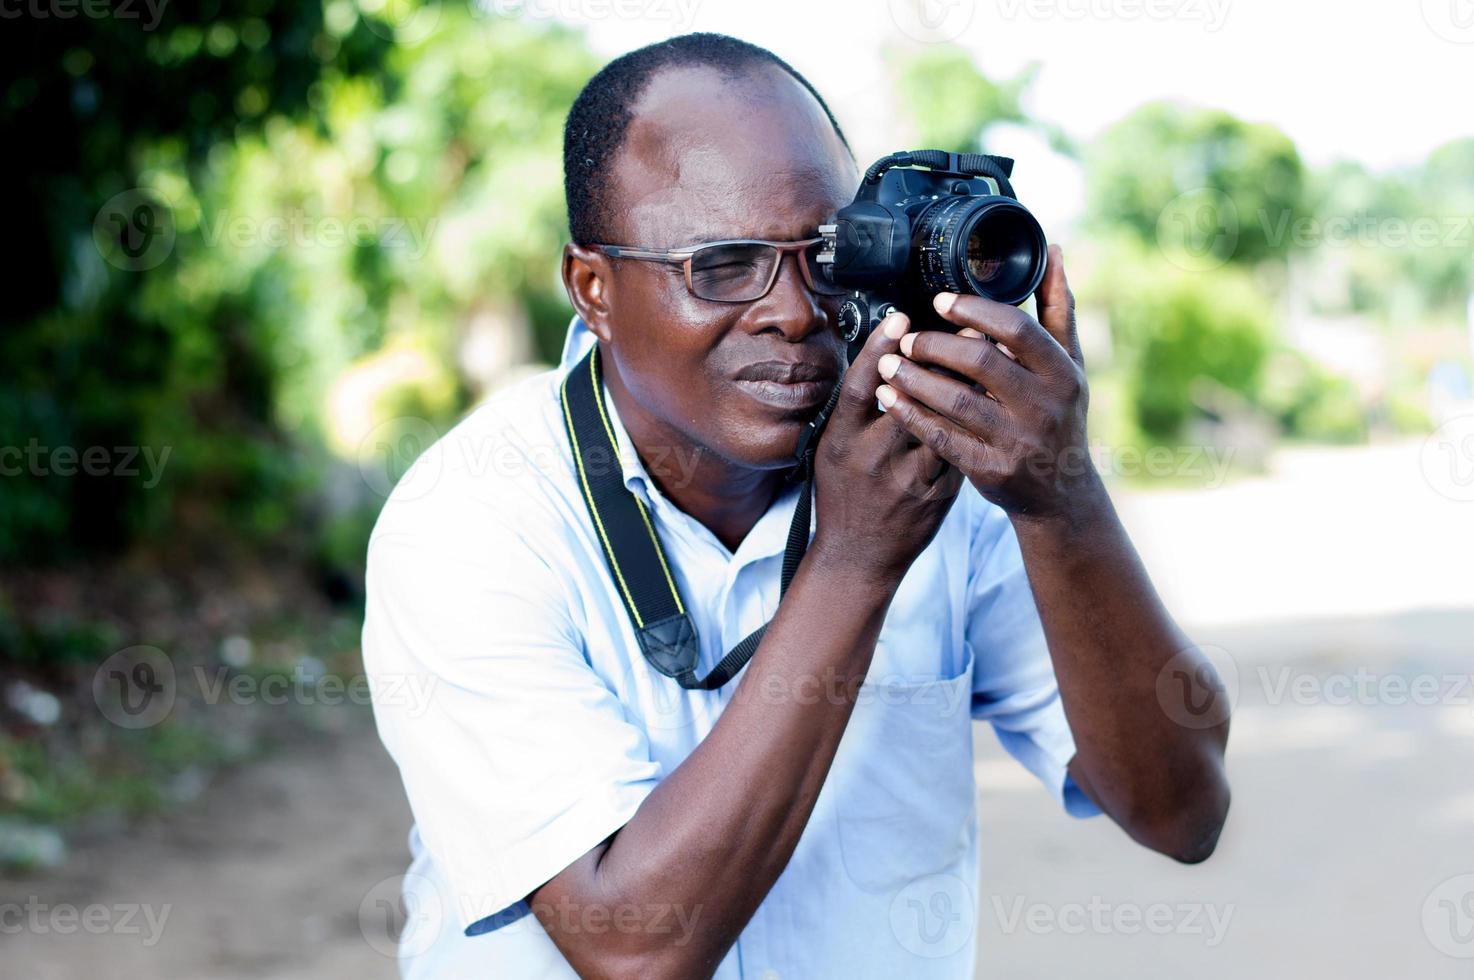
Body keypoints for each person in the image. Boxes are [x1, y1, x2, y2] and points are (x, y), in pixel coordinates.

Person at [363, 32, 1231, 980]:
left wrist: (1060, 501)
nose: (791, 311)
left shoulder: (941, 466)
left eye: (825, 254)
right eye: (721, 267)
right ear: (593, 289)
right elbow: (632, 948)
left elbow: (1182, 812)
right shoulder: (473, 520)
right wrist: (856, 563)